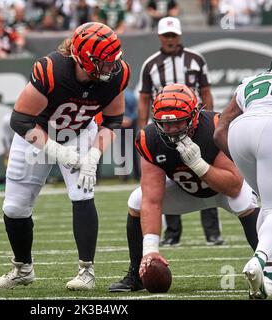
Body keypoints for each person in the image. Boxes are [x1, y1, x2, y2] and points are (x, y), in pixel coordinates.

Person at [0, 22, 130, 291]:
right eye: (104, 62)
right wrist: (56, 151)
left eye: (114, 61)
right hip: (39, 133)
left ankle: (86, 271)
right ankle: (22, 269)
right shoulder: (51, 71)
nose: (112, 68)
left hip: (79, 132)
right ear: (84, 59)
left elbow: (113, 121)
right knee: (14, 208)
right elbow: (20, 120)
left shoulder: (117, 74)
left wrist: (93, 154)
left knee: (82, 194)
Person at [109, 84, 259, 293]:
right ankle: (137, 274)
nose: (170, 130)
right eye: (164, 124)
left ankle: (267, 267)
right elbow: (152, 198)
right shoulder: (149, 138)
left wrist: (199, 165)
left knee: (244, 200)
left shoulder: (216, 127)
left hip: (222, 192)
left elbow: (234, 186)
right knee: (136, 200)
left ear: (194, 116)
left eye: (178, 122)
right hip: (186, 190)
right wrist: (150, 251)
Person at [138, 16, 223, 247]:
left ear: (179, 35)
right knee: (167, 177)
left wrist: (211, 121)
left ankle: (212, 232)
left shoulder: (196, 60)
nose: (170, 40)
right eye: (166, 36)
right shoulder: (151, 64)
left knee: (207, 173)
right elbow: (144, 98)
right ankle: (172, 233)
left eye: (173, 35)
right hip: (165, 129)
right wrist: (143, 127)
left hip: (195, 127)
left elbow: (205, 92)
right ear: (159, 37)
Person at [214, 67, 272, 299]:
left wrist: (243, 161)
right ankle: (259, 259)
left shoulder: (251, 81)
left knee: (266, 207)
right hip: (268, 129)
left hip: (239, 132)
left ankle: (267, 275)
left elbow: (219, 132)